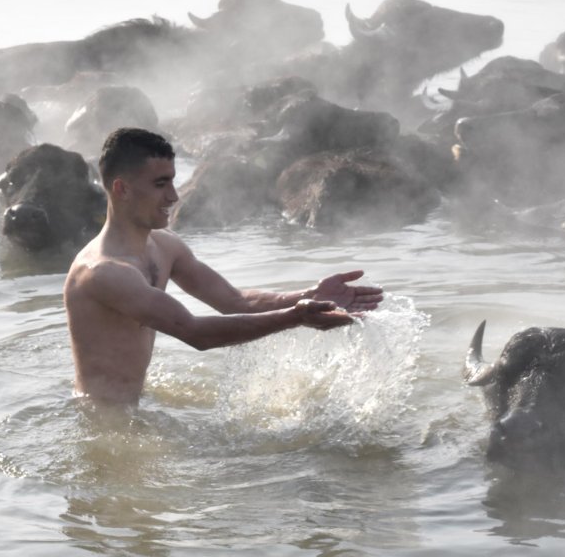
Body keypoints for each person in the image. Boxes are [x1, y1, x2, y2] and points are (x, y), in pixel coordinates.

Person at [63, 127, 384, 406]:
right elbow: (195, 333)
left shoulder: (165, 245)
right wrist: (296, 318)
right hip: (103, 422)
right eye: (161, 184)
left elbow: (235, 301)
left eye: (174, 181)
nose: (174, 196)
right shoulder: (103, 272)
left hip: (138, 405)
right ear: (122, 189)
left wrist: (309, 294)